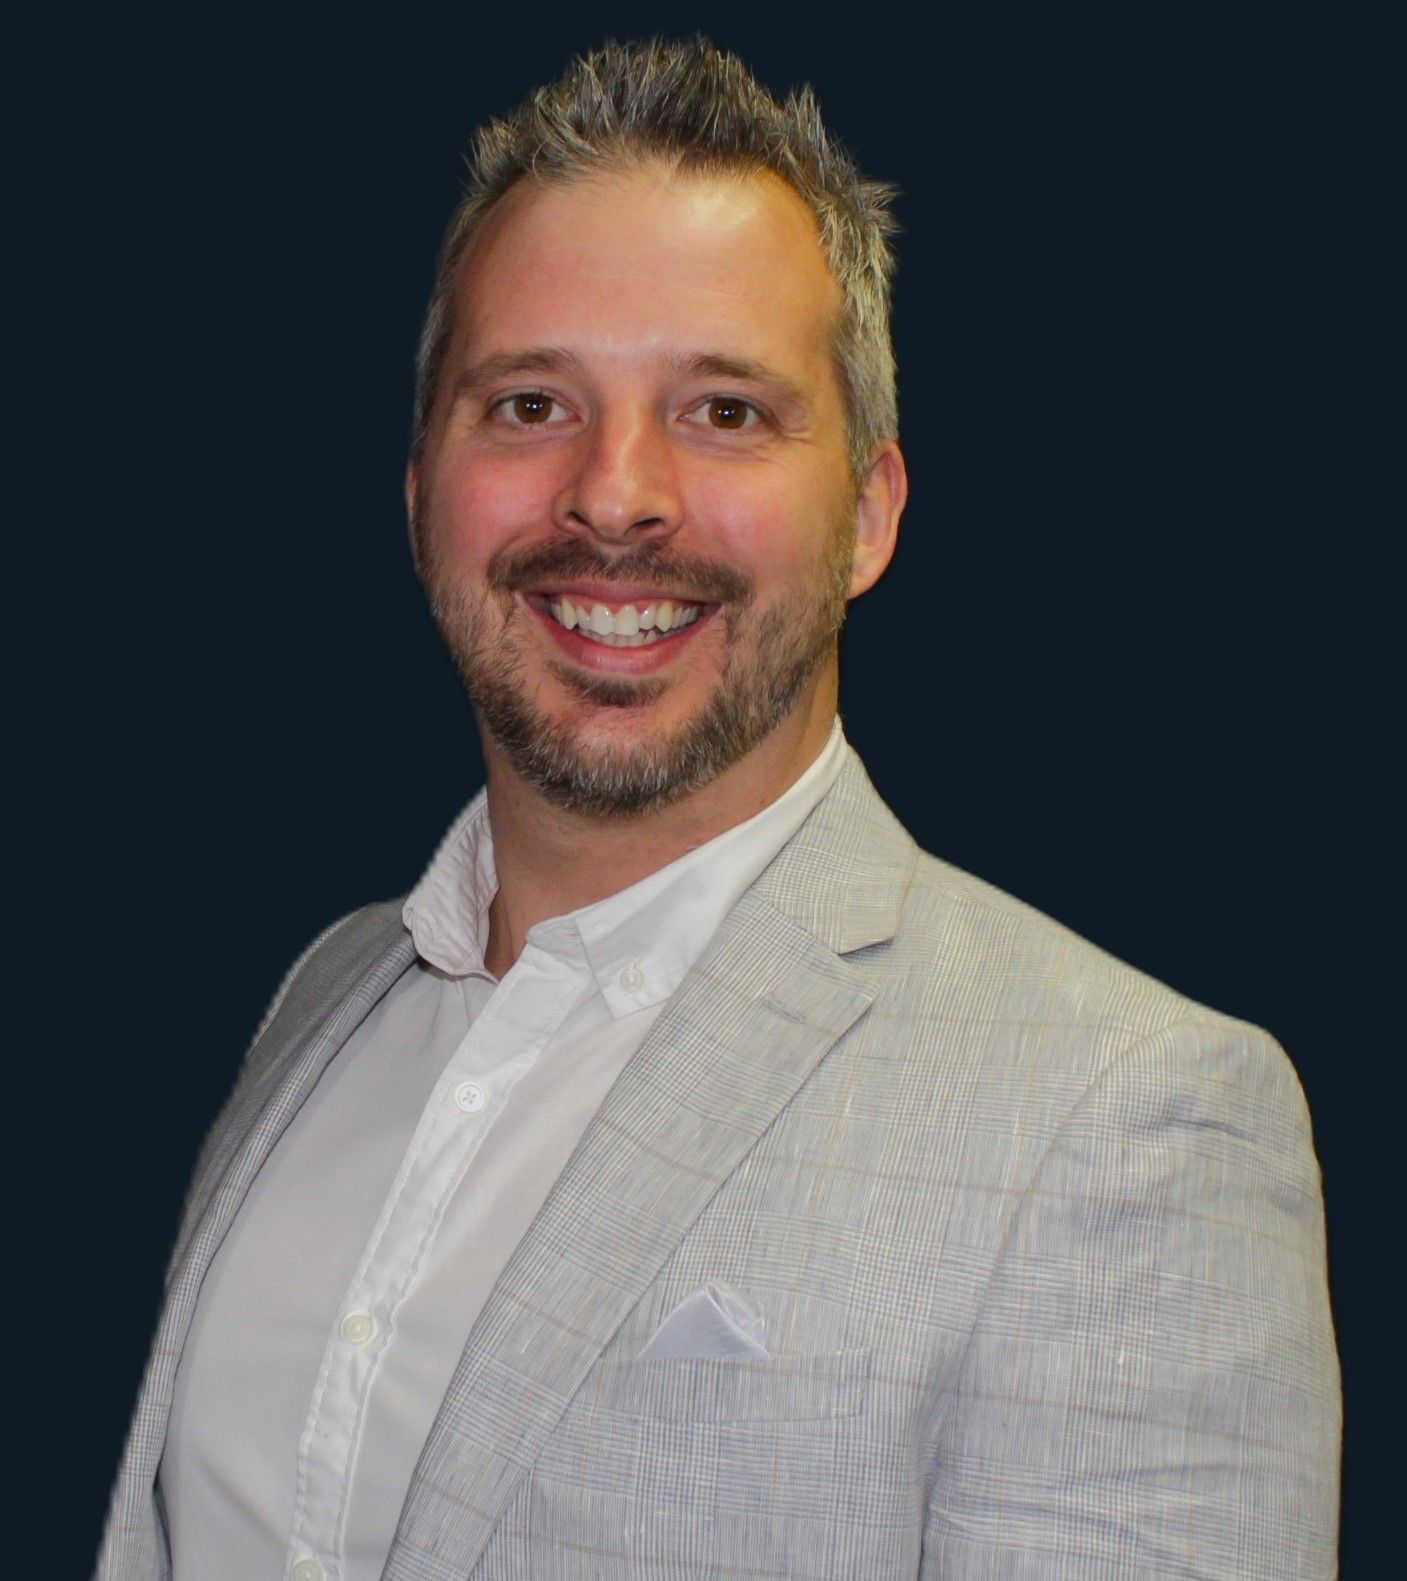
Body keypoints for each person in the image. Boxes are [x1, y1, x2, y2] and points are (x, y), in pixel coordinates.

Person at [97, 36, 1340, 1581]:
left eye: (726, 413)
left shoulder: (1126, 1117)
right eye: (533, 400)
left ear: (870, 514)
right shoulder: (325, 996)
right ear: (420, 491)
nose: (615, 496)